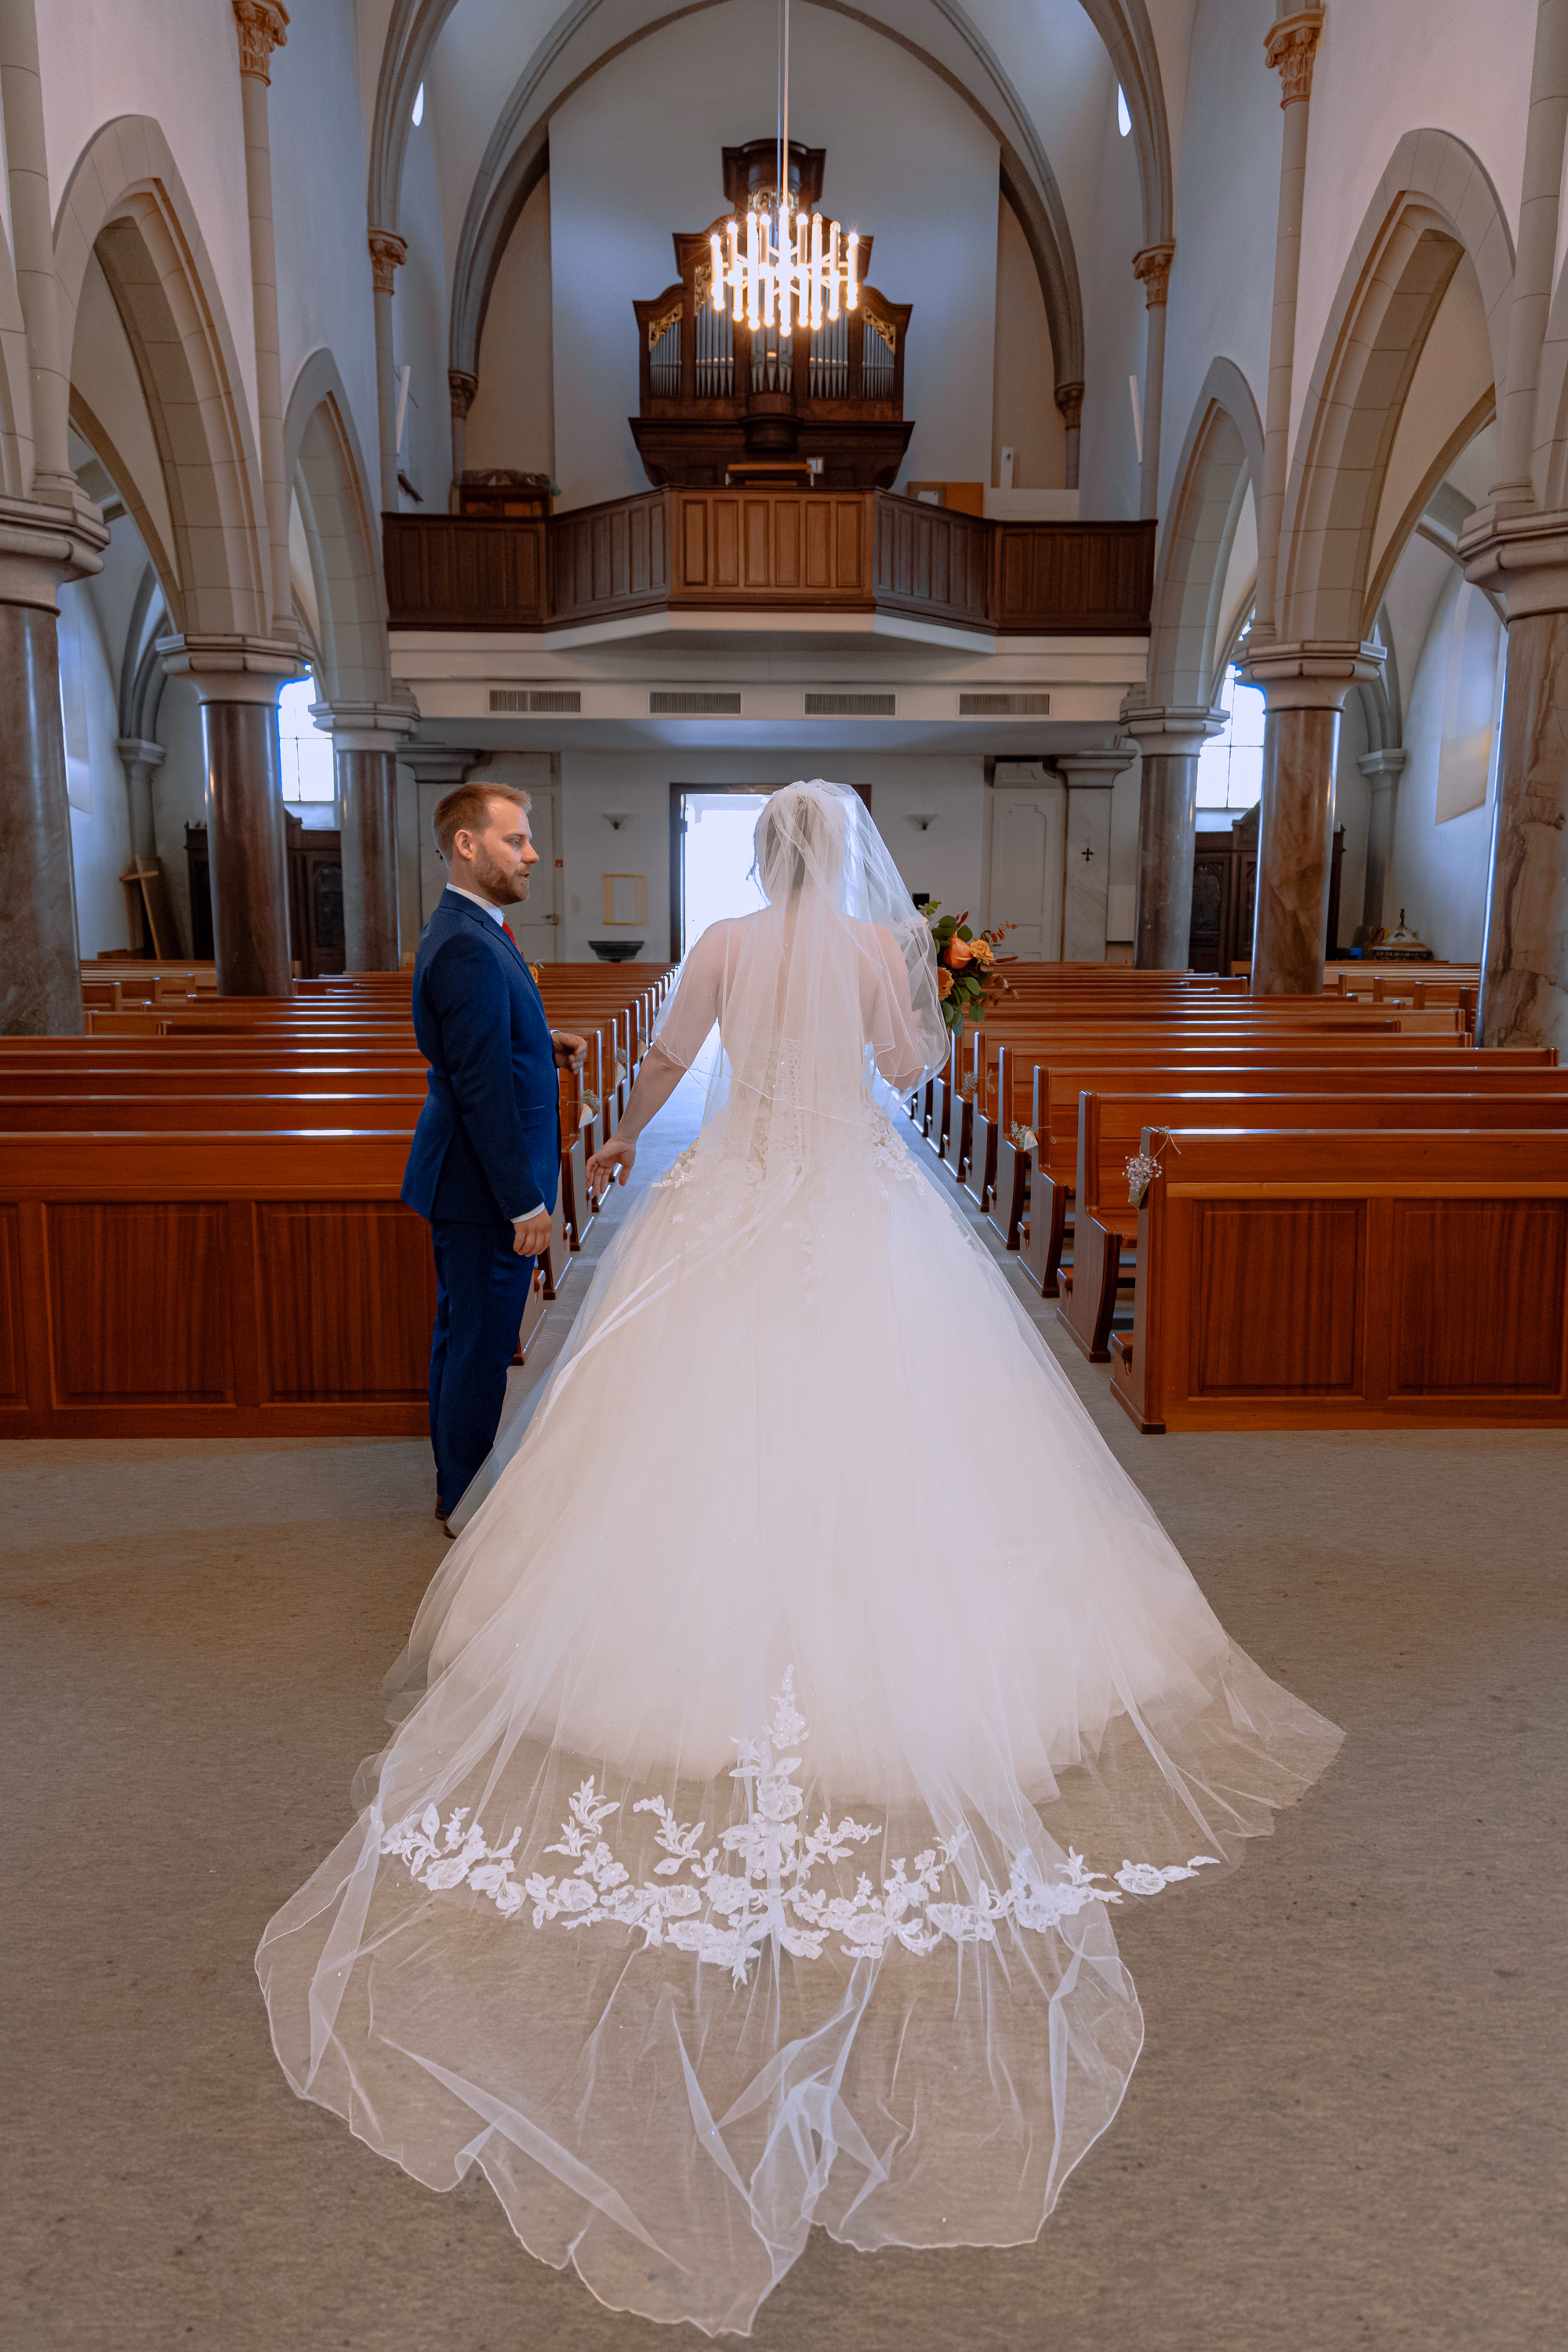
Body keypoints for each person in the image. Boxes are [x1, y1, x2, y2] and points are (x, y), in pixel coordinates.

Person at [260, 782, 1341, 2336]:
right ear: (844, 862)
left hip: (734, 1206)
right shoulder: (868, 956)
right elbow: (906, 1073)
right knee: (902, 1438)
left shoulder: (716, 941)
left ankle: (641, 1648)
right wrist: (941, 1000)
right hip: (857, 1207)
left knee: (677, 1428)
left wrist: (615, 1162)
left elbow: (678, 1067)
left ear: (758, 859)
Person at [401, 782, 585, 1526]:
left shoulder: (474, 927)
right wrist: (523, 1201)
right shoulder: (468, 944)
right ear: (467, 845)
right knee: (479, 1344)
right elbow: (480, 1088)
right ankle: (466, 1502)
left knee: (465, 1332)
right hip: (485, 1189)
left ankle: (458, 1475)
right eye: (516, 840)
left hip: (470, 1181)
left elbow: (483, 1043)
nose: (533, 853)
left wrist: (543, 1043)